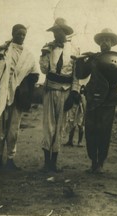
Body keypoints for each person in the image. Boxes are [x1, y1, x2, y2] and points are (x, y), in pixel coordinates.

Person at [0, 24, 39, 170]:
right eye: (19, 34)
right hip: (2, 94)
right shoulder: (3, 51)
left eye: (24, 35)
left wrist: (23, 87)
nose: (21, 37)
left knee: (13, 129)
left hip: (18, 96)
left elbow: (34, 75)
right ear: (13, 34)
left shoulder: (28, 55)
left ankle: (10, 159)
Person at [76, 28, 117, 174]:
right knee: (91, 130)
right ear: (99, 43)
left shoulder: (116, 60)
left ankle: (101, 163)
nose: (105, 42)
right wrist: (80, 60)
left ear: (112, 43)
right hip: (92, 99)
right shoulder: (93, 58)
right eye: (102, 39)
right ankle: (93, 162)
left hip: (108, 100)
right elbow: (81, 74)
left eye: (108, 40)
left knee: (104, 132)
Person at [39, 18, 80, 172]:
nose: (57, 34)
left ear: (65, 32)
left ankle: (54, 163)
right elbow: (44, 70)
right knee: (48, 125)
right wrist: (43, 55)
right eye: (55, 31)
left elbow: (77, 75)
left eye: (60, 31)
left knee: (60, 126)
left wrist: (74, 93)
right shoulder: (48, 49)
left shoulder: (75, 50)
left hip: (65, 91)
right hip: (50, 90)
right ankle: (46, 163)